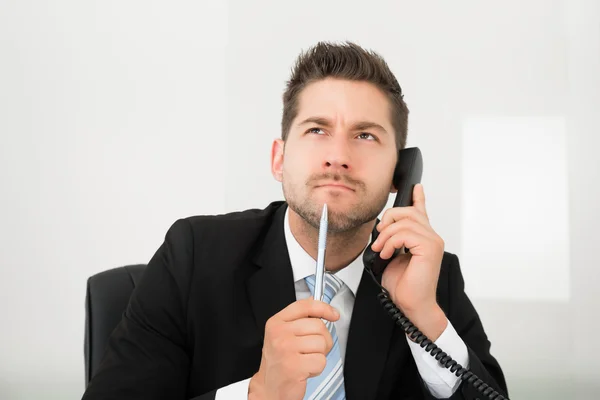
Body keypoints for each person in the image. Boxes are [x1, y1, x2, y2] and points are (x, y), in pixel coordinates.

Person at [82, 41, 508, 400]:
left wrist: (425, 320)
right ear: (279, 159)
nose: (338, 156)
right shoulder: (193, 255)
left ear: (401, 172)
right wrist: (258, 393)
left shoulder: (431, 275)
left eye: (365, 135)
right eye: (317, 130)